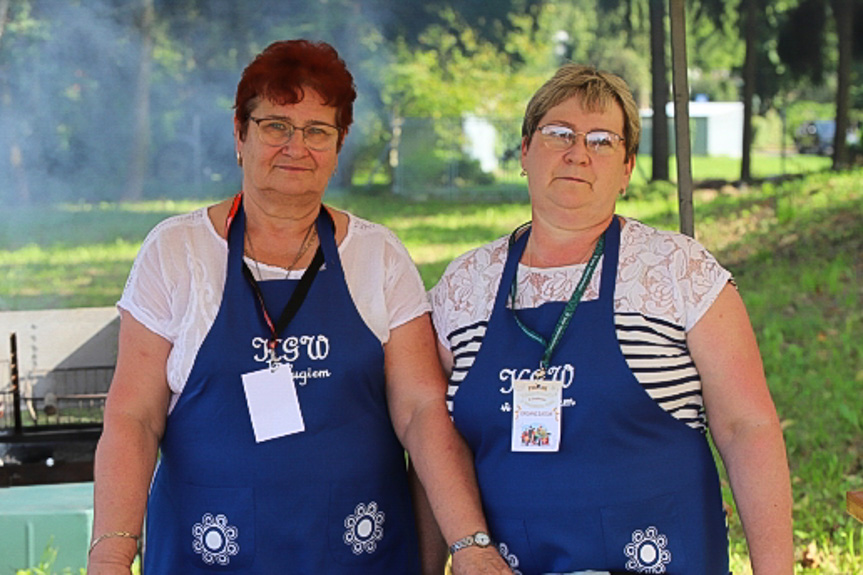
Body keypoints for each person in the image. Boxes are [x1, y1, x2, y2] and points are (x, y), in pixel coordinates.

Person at [88, 39, 509, 574]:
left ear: (338, 145)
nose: (297, 146)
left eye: (317, 131)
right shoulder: (177, 252)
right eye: (276, 126)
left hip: (361, 550)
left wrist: (468, 545)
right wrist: (111, 553)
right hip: (211, 551)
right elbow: (133, 417)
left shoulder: (378, 254)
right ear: (240, 134)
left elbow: (422, 410)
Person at [427, 64, 793, 574]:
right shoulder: (463, 286)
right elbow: (431, 435)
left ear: (626, 169)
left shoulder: (678, 270)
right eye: (559, 134)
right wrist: (464, 547)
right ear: (524, 152)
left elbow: (747, 427)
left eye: (602, 140)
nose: (579, 152)